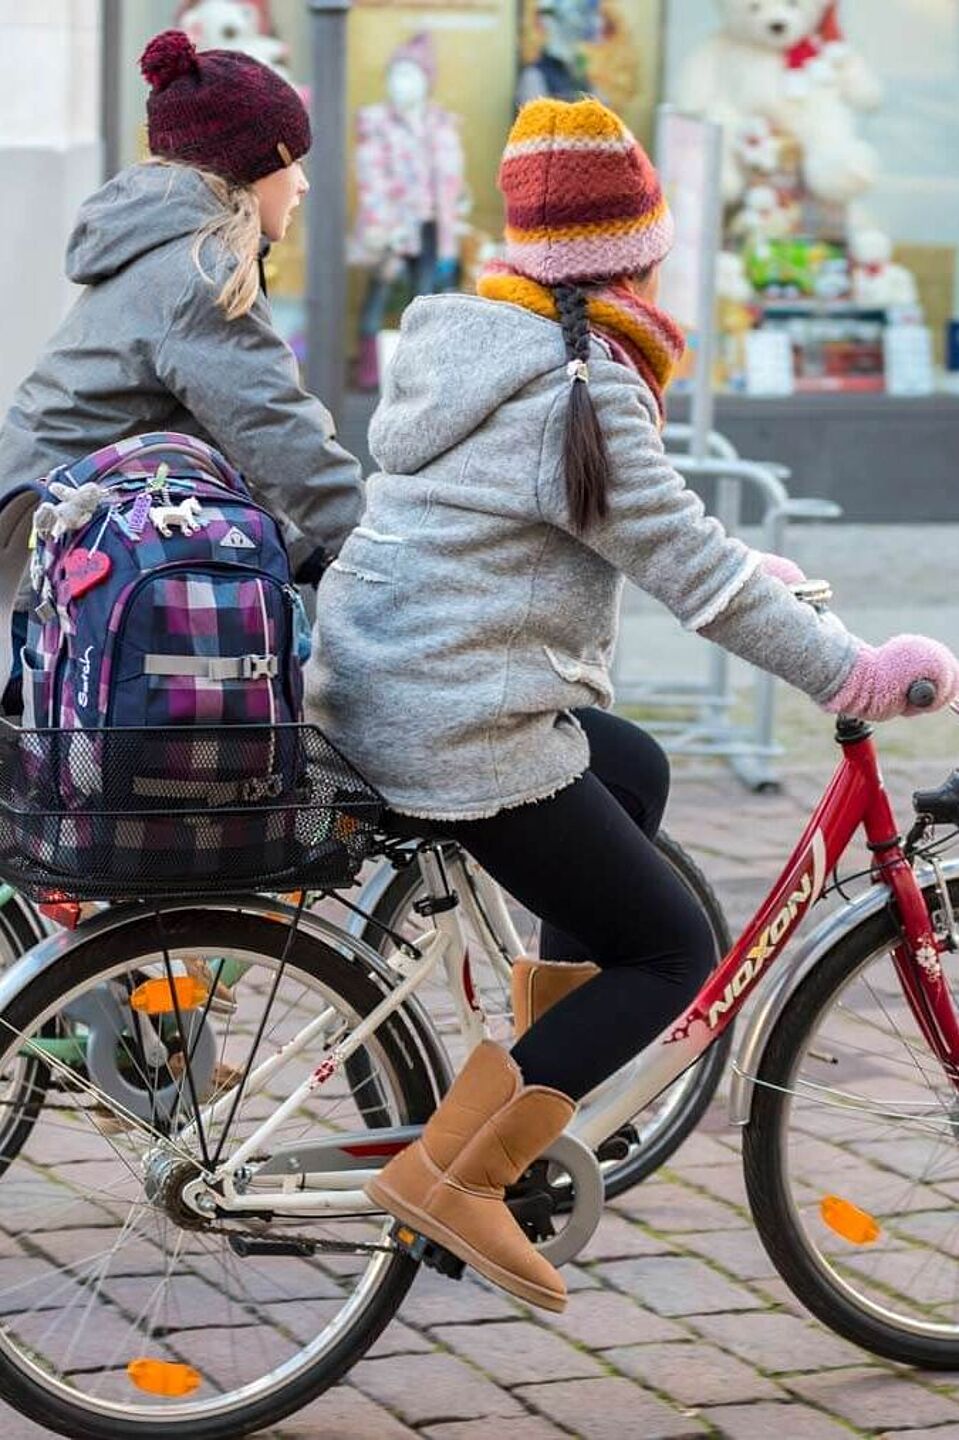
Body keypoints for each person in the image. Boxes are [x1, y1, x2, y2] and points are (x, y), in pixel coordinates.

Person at [306, 97, 959, 1314]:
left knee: (636, 772)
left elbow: (649, 537)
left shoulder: (473, 345)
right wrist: (853, 673)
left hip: (384, 687)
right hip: (458, 723)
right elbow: (689, 574)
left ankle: (567, 1092)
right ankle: (459, 1174)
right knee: (671, 949)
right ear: (636, 253)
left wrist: (751, 573)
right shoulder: (582, 385)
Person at [0, 28, 363, 711]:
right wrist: (372, 548)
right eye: (293, 162)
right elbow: (280, 435)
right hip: (71, 584)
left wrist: (301, 542)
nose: (305, 184)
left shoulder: (161, 249)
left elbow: (215, 438)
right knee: (301, 693)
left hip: (53, 557)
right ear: (250, 170)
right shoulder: (196, 273)